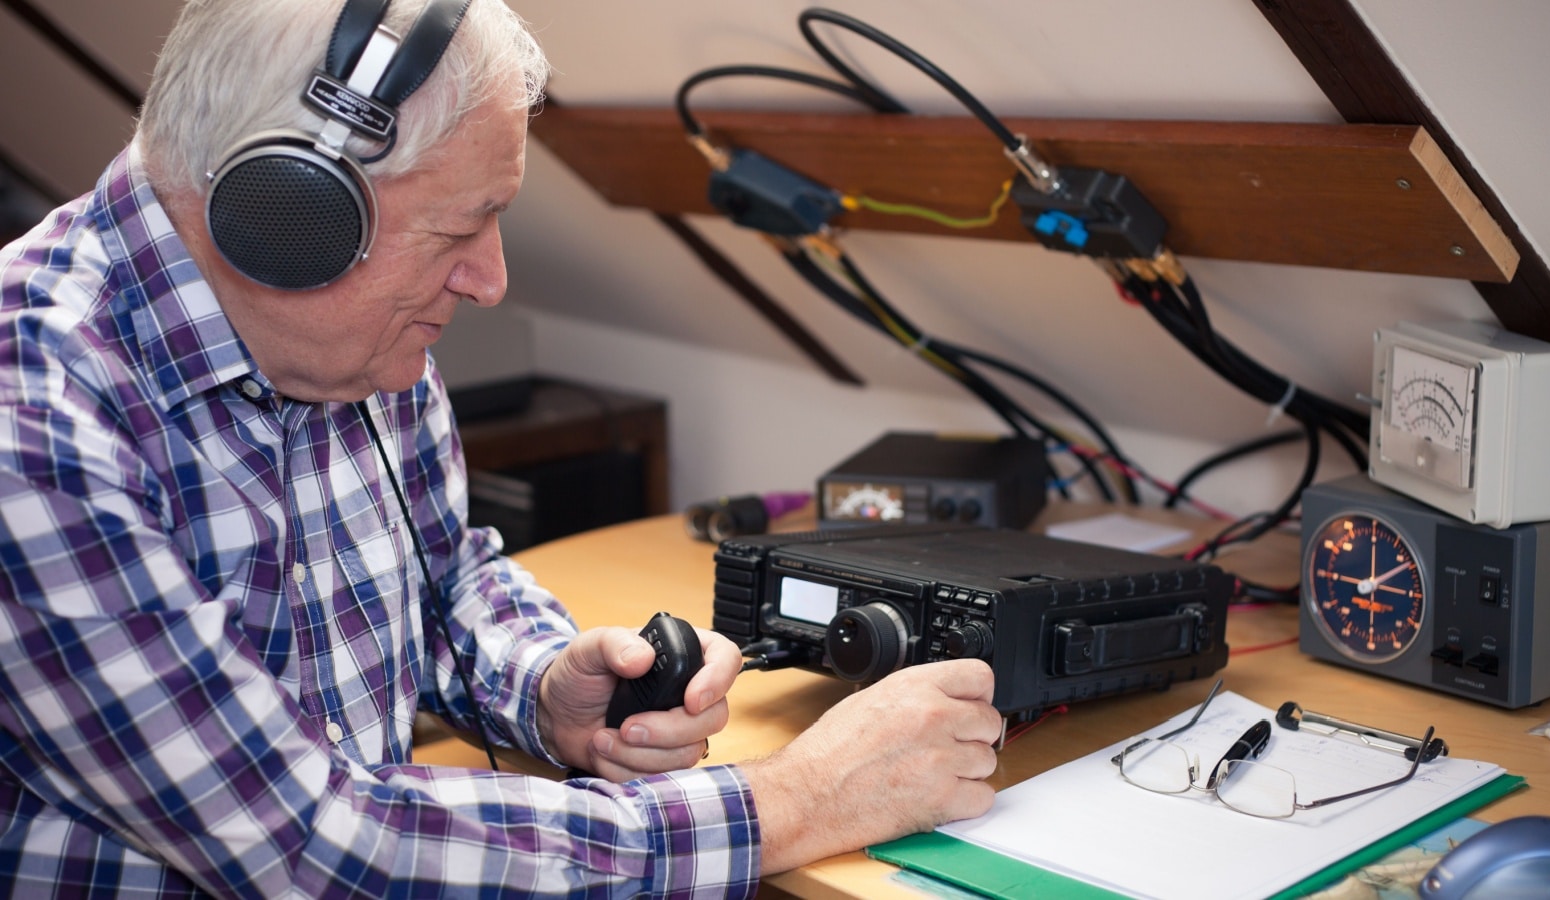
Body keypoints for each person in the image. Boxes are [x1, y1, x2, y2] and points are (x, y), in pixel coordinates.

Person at [0, 0, 1003, 896]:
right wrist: (807, 795)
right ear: (287, 215)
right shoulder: (29, 418)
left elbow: (444, 575)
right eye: (462, 227)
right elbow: (310, 846)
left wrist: (541, 684)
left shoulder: (351, 333)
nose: (489, 279)